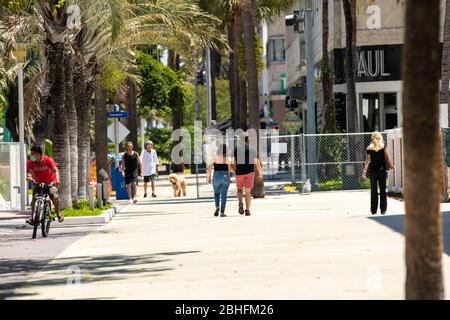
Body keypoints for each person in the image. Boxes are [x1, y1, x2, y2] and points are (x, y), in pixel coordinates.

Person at [26, 146, 64, 224]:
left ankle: (58, 213)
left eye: (34, 154)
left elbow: (55, 170)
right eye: (31, 154)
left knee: (54, 196)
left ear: (39, 155)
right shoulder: (30, 162)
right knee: (34, 199)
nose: (32, 156)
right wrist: (29, 177)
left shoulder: (48, 160)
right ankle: (32, 218)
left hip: (50, 182)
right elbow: (29, 172)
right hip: (38, 183)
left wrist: (57, 180)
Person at [362, 131, 394, 215]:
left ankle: (373, 210)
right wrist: (390, 165)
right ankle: (383, 210)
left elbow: (368, 160)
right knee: (383, 190)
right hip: (382, 171)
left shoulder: (369, 148)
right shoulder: (383, 147)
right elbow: (387, 158)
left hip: (372, 172)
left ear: (372, 138)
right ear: (380, 138)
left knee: (373, 190)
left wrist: (364, 171)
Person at [231, 135, 263, 216]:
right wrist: (260, 172)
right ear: (248, 140)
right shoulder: (252, 149)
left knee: (239, 190)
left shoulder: (235, 149)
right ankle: (247, 210)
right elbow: (257, 162)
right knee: (248, 192)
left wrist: (234, 170)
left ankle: (240, 202)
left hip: (239, 172)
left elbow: (231, 162)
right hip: (250, 172)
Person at [207, 144, 234, 217]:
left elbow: (209, 166)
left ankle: (217, 206)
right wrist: (235, 172)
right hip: (225, 176)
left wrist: (208, 176)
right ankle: (222, 212)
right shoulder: (228, 158)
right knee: (224, 195)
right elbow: (230, 168)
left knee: (216, 193)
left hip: (216, 177)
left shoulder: (215, 157)